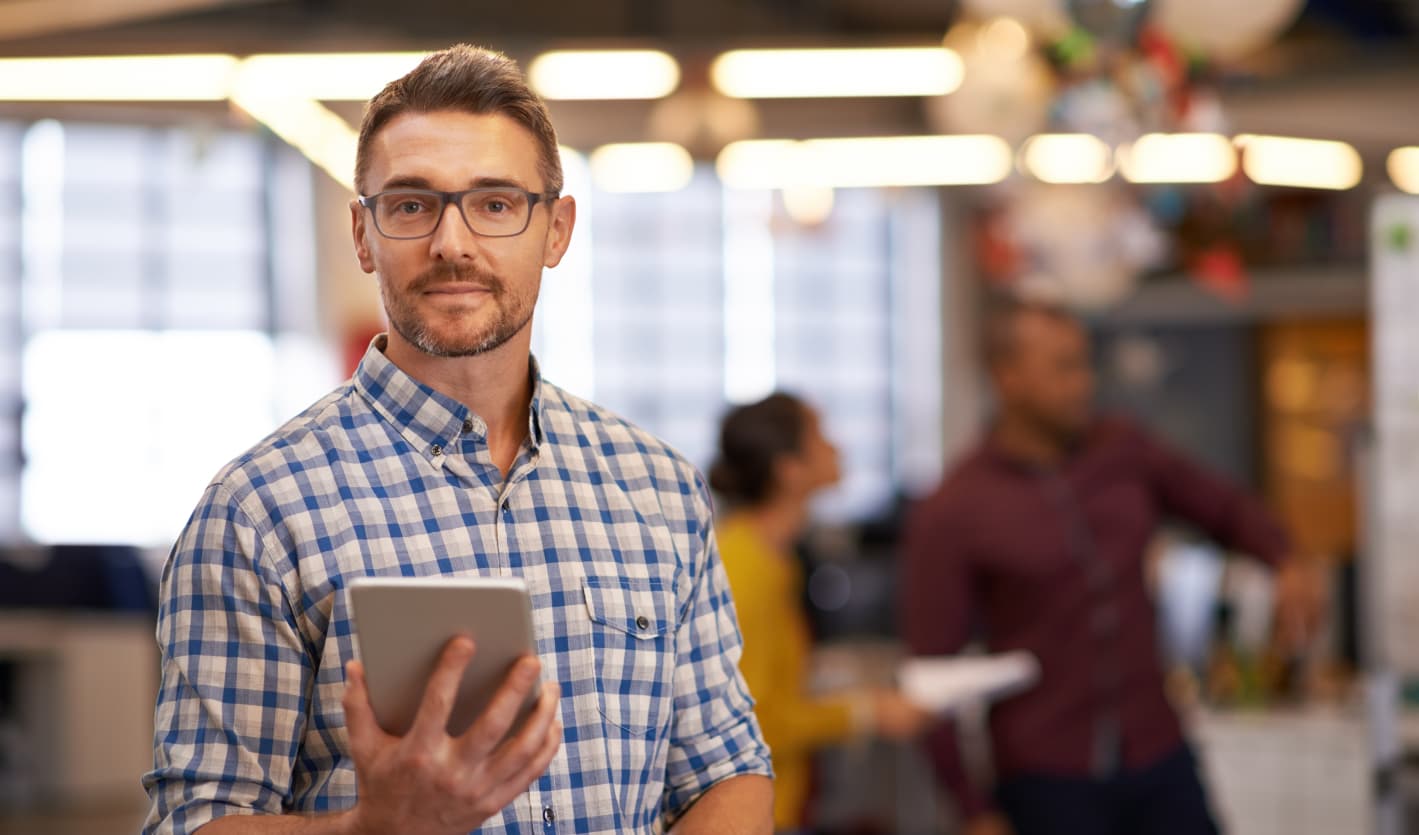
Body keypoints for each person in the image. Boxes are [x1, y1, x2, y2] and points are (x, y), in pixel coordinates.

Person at [143, 44, 772, 835]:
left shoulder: (656, 486)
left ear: (556, 228)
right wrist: (374, 828)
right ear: (363, 233)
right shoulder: (259, 512)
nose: (452, 243)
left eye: (496, 203)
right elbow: (195, 819)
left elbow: (729, 770)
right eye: (411, 205)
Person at [901, 300, 1323, 835]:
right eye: (1063, 367)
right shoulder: (956, 507)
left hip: (1157, 750)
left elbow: (1223, 506)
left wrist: (1284, 557)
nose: (1083, 383)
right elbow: (929, 675)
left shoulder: (1123, 448)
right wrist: (972, 809)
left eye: (1084, 363)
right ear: (1006, 378)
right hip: (1045, 774)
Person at [711, 393, 929, 833]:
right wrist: (867, 711)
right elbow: (752, 720)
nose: (838, 448)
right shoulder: (746, 566)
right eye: (820, 437)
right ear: (787, 469)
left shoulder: (774, 558)